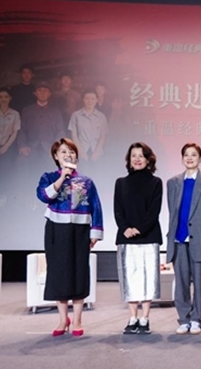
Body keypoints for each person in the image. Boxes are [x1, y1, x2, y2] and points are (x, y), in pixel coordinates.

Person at [36, 138, 103, 337]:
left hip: (80, 230)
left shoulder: (86, 181)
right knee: (59, 272)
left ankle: (78, 320)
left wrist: (95, 233)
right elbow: (44, 196)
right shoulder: (48, 177)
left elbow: (96, 207)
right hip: (56, 229)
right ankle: (62, 318)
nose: (68, 155)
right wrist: (61, 179)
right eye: (63, 152)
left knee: (79, 272)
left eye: (72, 152)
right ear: (56, 156)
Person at [167, 143, 201, 335]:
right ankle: (184, 319)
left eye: (194, 154)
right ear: (182, 158)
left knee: (199, 282)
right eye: (186, 155)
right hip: (179, 239)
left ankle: (197, 319)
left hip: (200, 239)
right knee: (181, 282)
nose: (189, 158)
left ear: (200, 158)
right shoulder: (173, 182)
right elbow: (172, 211)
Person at [114, 142, 163, 335]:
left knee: (148, 278)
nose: (137, 159)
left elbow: (154, 211)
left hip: (149, 236)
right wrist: (125, 228)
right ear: (129, 160)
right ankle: (132, 317)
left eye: (141, 155)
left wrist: (140, 229)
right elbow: (118, 210)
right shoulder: (120, 183)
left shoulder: (156, 182)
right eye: (133, 155)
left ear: (148, 159)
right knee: (130, 278)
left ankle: (145, 318)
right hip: (126, 237)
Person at [18, 81, 66, 169]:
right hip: (31, 147)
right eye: (40, 90)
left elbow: (60, 131)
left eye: (45, 91)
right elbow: (22, 130)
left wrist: (55, 146)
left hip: (49, 148)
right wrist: (23, 145)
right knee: (23, 165)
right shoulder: (27, 110)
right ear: (35, 93)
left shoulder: (56, 111)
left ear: (49, 94)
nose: (43, 93)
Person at [68, 90, 108, 163]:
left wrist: (97, 152)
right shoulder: (76, 115)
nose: (90, 101)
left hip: (97, 152)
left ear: (97, 100)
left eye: (93, 99)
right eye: (87, 98)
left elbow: (103, 136)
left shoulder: (102, 117)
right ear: (83, 99)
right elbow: (74, 135)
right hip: (80, 151)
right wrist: (80, 152)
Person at [0, 88, 21, 171]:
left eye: (6, 97)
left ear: (10, 98)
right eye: (1, 97)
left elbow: (15, 131)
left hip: (8, 146)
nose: (3, 99)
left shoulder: (15, 114)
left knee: (5, 169)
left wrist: (6, 146)